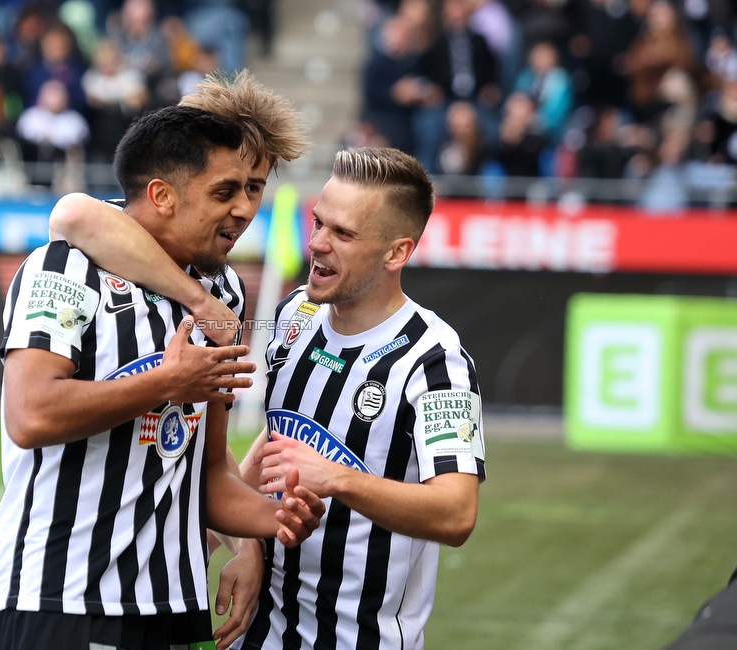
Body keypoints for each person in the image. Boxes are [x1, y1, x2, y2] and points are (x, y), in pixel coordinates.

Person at [54, 147, 487, 650]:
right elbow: (275, 444)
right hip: (254, 635)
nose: (318, 244)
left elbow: (456, 514)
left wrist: (341, 479)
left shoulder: (437, 361)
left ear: (397, 253)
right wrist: (241, 544)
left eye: (342, 234)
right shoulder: (293, 317)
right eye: (319, 223)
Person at [0, 105, 324, 650]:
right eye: (226, 191)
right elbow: (31, 413)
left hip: (170, 609)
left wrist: (273, 519)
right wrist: (165, 381)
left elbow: (204, 476)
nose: (244, 210)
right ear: (162, 195)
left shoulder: (223, 293)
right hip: (61, 600)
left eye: (253, 190)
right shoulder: (65, 269)